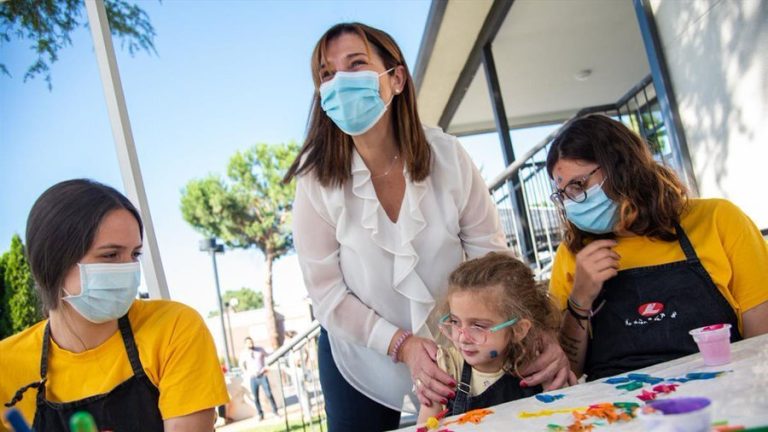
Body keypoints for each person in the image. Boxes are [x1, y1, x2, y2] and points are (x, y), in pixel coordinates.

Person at [284, 22, 573, 431]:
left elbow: (493, 258)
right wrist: (401, 345)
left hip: (463, 347)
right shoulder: (315, 180)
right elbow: (327, 294)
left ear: (396, 78)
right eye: (327, 74)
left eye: (356, 64)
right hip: (360, 357)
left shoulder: (448, 157)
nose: (340, 83)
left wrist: (535, 328)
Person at [546, 114, 768, 381]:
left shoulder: (718, 219)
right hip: (619, 411)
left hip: (723, 395)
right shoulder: (573, 254)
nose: (573, 202)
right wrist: (579, 299)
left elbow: (762, 337)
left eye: (579, 185)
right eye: (564, 194)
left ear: (621, 167)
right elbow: (568, 370)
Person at [0, 179, 229, 431]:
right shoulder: (5, 366)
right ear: (51, 263)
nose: (128, 269)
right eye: (110, 255)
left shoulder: (174, 328)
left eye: (134, 254)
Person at [417, 252, 560, 425]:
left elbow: (560, 416)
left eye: (478, 326)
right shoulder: (446, 368)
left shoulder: (538, 361)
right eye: (455, 321)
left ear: (518, 330)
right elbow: (424, 427)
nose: (463, 337)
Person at [239, 337, 279, 420]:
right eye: (249, 343)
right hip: (253, 378)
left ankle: (275, 411)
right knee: (255, 397)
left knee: (269, 394)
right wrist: (247, 373)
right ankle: (260, 414)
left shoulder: (260, 350)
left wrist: (267, 367)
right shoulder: (244, 354)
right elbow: (241, 365)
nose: (251, 344)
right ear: (245, 344)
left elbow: (269, 356)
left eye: (251, 342)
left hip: (262, 375)